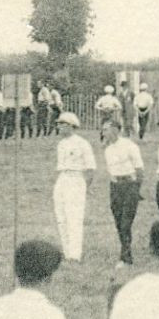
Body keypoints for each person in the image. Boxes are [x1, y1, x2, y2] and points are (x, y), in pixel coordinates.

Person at [101, 119, 145, 265]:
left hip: (130, 185)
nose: (103, 133)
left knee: (126, 223)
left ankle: (125, 257)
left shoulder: (129, 146)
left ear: (115, 130)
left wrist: (136, 189)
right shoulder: (107, 149)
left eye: (106, 129)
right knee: (118, 221)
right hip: (115, 187)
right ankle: (125, 252)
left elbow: (139, 170)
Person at [51, 112, 95, 261]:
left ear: (70, 126)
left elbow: (90, 168)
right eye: (58, 124)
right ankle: (66, 251)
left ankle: (75, 254)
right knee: (61, 216)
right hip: (62, 178)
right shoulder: (61, 144)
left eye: (62, 124)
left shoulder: (82, 143)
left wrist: (84, 186)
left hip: (76, 179)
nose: (59, 127)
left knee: (74, 217)